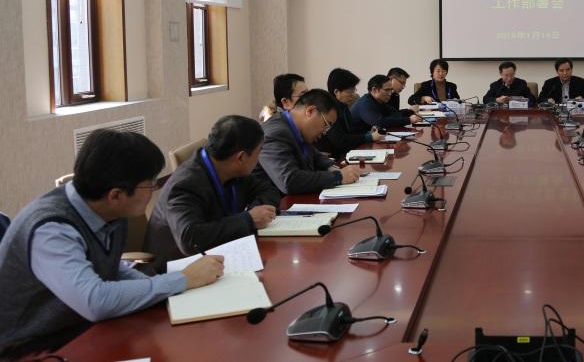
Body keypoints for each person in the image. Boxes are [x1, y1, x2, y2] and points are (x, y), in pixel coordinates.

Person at [0, 130, 223, 358]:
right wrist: (183, 279)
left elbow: (109, 268)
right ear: (116, 195)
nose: (153, 192)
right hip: (32, 350)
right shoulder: (51, 230)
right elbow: (95, 301)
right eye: (150, 185)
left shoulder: (107, 209)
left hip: (83, 330)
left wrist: (166, 291)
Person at [145, 115, 281, 271]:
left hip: (220, 255)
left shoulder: (231, 168)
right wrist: (248, 219)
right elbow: (190, 239)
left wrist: (257, 209)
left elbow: (268, 189)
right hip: (179, 271)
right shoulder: (185, 184)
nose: (258, 158)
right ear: (241, 157)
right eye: (258, 152)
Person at [253, 89, 360, 195]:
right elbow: (289, 181)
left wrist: (331, 167)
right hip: (273, 203)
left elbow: (314, 155)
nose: (325, 132)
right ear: (310, 111)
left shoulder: (295, 127)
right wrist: (338, 177)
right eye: (326, 124)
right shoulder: (275, 133)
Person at [316, 68, 384, 161]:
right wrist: (369, 137)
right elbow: (340, 140)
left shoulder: (344, 106)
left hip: (345, 154)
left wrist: (368, 133)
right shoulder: (328, 111)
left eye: (354, 90)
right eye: (350, 91)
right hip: (332, 158)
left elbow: (350, 133)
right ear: (336, 92)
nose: (353, 94)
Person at [352, 75, 423, 130]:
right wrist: (409, 120)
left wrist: (410, 112)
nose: (390, 94)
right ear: (374, 90)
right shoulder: (365, 103)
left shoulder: (379, 101)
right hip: (358, 141)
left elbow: (395, 113)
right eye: (387, 90)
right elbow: (380, 122)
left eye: (391, 90)